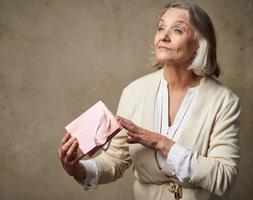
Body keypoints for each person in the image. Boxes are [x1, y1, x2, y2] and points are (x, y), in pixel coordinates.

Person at [58, 2, 241, 200]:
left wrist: (163, 143)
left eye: (177, 30)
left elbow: (224, 177)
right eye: (161, 27)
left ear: (199, 43)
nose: (164, 36)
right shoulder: (133, 92)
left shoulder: (224, 101)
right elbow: (115, 160)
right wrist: (77, 169)